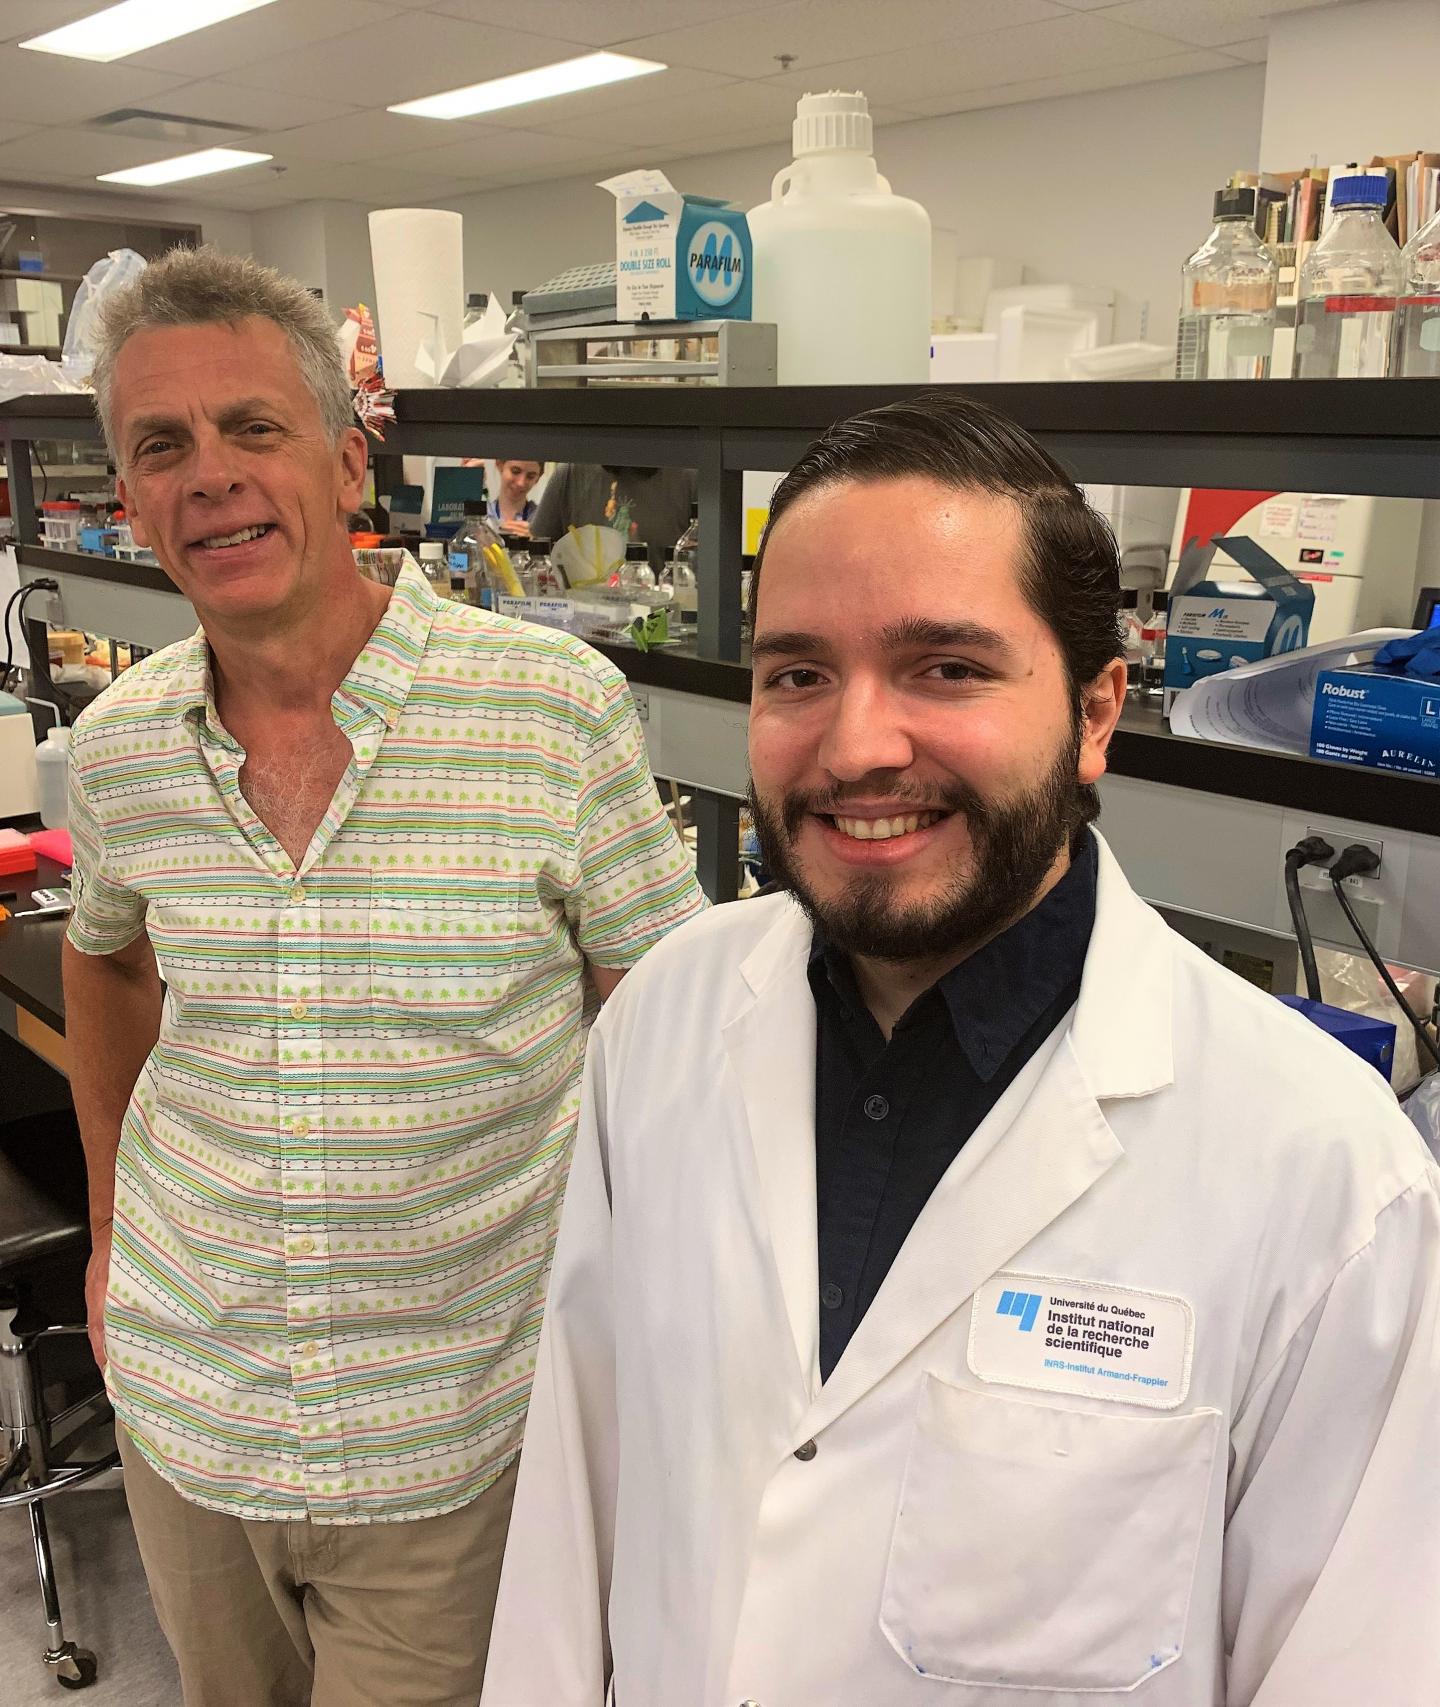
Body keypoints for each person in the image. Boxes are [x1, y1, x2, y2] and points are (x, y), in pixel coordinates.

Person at [481, 393, 1440, 1706]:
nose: (857, 745)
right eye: (798, 673)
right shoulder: (664, 1020)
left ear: (1096, 713)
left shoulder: (1330, 1178)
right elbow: (570, 1519)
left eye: (947, 668)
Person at [64, 245, 704, 1707]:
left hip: (451, 1439)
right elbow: (107, 963)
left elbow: (667, 1030)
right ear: (130, 497)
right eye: (160, 446)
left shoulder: (551, 712)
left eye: (253, 426)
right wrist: (106, 1234)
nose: (209, 475)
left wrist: (656, 1324)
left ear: (349, 462)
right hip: (190, 1404)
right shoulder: (117, 748)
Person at [531, 462, 695, 570]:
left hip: (661, 609)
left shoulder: (689, 476)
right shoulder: (570, 473)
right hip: (584, 607)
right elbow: (537, 559)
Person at [487, 457, 544, 537]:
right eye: (515, 472)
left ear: (538, 478)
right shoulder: (481, 517)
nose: (521, 483)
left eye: (530, 476)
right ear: (500, 465)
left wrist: (535, 542)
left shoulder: (543, 521)